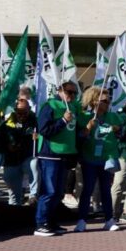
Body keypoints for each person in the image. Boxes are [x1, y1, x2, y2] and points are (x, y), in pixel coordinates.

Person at [75, 87, 126, 232]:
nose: (108, 103)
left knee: (106, 189)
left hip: (107, 158)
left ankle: (109, 220)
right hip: (89, 158)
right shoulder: (84, 117)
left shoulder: (112, 117)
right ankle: (81, 220)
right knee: (88, 189)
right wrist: (87, 128)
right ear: (93, 101)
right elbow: (78, 138)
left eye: (108, 100)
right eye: (104, 101)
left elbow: (123, 135)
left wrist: (118, 130)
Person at [35, 81, 81, 236]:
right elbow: (44, 130)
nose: (72, 95)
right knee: (49, 191)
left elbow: (73, 131)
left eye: (75, 93)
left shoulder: (73, 108)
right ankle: (41, 223)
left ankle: (52, 221)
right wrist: (62, 121)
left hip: (65, 154)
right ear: (60, 90)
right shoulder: (50, 106)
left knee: (58, 192)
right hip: (50, 154)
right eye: (69, 92)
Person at [0, 91, 36, 206]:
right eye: (19, 112)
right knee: (14, 196)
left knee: (35, 163)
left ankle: (33, 195)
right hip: (11, 161)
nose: (22, 115)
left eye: (25, 112)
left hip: (27, 159)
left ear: (29, 110)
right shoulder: (7, 125)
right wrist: (7, 147)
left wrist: (38, 137)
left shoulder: (34, 122)